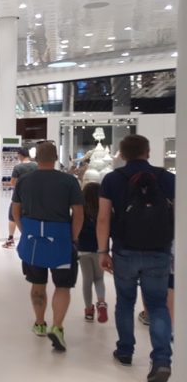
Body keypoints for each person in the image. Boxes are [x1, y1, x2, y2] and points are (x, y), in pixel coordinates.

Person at [97, 135, 174, 381]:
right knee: (158, 305)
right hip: (159, 250)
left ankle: (125, 351)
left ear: (122, 154)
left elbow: (103, 218)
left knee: (125, 302)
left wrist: (102, 251)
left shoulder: (112, 179)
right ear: (148, 152)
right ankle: (161, 360)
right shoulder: (167, 178)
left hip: (125, 250)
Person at [12, 142, 83, 352]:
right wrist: (73, 238)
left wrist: (24, 230)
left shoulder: (24, 181)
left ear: (36, 158)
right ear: (55, 158)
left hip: (33, 239)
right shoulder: (69, 181)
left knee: (37, 283)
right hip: (61, 240)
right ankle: (57, 326)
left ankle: (40, 323)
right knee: (62, 285)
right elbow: (78, 214)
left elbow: (16, 211)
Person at [76, 182, 108, 323]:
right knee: (99, 278)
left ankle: (89, 310)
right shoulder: (103, 211)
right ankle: (101, 303)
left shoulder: (80, 211)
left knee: (87, 281)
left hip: (83, 250)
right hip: (100, 250)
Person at [4, 148, 38, 249]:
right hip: (33, 196)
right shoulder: (36, 166)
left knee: (12, 217)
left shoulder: (18, 167)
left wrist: (5, 184)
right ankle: (31, 237)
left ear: (20, 155)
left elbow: (13, 183)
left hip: (19, 196)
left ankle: (10, 239)